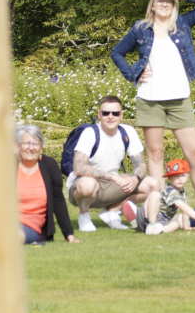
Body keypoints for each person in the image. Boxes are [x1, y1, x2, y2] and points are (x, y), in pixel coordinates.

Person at [111, 0, 195, 204]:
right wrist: (132, 74)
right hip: (150, 100)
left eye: (169, 0)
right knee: (156, 153)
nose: (165, 3)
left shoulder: (183, 23)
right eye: (160, 0)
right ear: (152, 5)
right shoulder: (141, 29)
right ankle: (158, 207)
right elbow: (117, 52)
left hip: (180, 99)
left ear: (174, 4)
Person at [67, 96, 161, 232]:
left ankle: (112, 212)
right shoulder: (90, 133)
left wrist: (135, 179)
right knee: (88, 184)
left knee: (153, 185)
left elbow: (140, 164)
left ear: (121, 115)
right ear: (99, 114)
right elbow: (78, 168)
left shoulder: (128, 132)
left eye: (115, 113)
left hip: (112, 185)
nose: (110, 117)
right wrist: (113, 177)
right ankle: (84, 215)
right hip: (85, 185)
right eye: (106, 113)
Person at [15, 125, 79, 245]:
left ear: (41, 147)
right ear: (17, 146)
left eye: (35, 144)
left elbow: (58, 200)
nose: (31, 148)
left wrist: (68, 234)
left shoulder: (49, 165)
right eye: (26, 143)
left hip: (30, 226)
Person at [135, 159, 195, 235]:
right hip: (147, 216)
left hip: (161, 221)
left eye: (183, 176)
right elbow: (184, 207)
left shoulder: (181, 191)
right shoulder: (170, 190)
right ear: (169, 178)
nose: (180, 179)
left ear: (187, 177)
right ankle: (151, 224)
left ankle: (156, 230)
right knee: (155, 194)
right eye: (176, 176)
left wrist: (186, 227)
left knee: (176, 224)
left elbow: (185, 209)